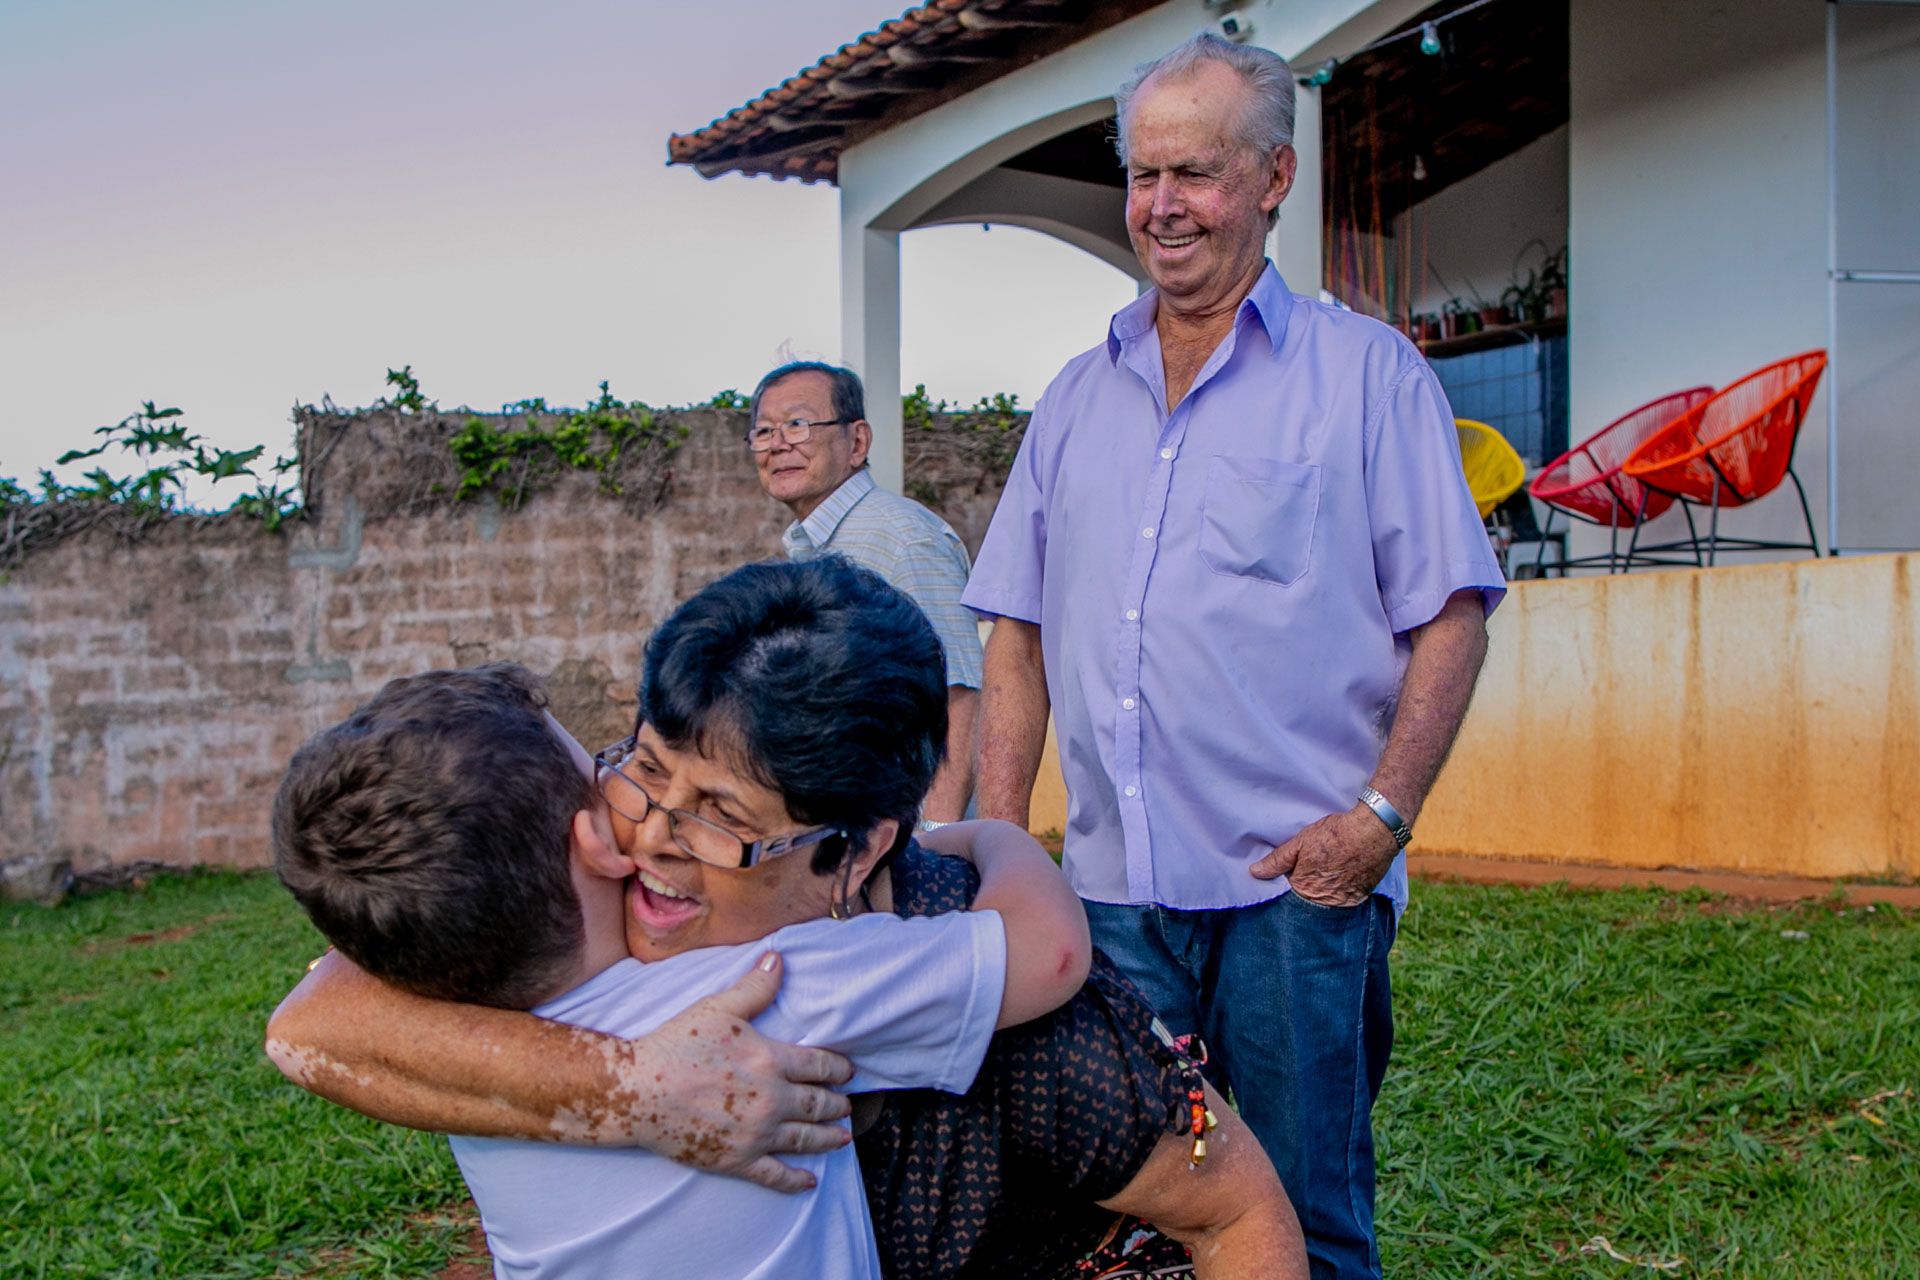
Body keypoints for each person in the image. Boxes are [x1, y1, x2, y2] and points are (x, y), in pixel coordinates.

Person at [266, 558, 1308, 1279]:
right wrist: (632, 1092)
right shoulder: (570, 952)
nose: (654, 837)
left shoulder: (1020, 1018)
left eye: (723, 817)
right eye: (639, 768)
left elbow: (1236, 1205)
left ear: (855, 848)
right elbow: (313, 1021)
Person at [961, 33, 1505, 1280]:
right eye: (1145, 174)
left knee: (1305, 1222)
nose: (1162, 206)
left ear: (1272, 178)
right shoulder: (1072, 398)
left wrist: (1379, 821)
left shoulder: (1367, 377)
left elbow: (1453, 616)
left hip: (1295, 897)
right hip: (1113, 899)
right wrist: (1000, 839)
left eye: (1195, 173)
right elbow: (1018, 638)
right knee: (1123, 1225)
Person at [270, 656, 1088, 1279]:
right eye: (611, 768)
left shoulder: (444, 1037)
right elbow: (1048, 952)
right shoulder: (765, 990)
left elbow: (304, 1017)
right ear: (593, 842)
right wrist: (991, 838)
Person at [747, 361, 983, 822]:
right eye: (764, 431)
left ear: (857, 442)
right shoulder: (813, 545)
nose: (777, 445)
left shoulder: (902, 539)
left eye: (797, 425)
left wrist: (931, 843)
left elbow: (961, 697)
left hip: (902, 841)